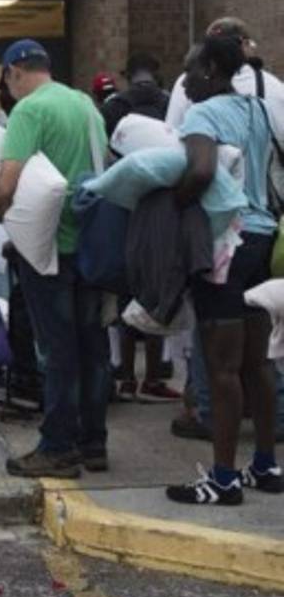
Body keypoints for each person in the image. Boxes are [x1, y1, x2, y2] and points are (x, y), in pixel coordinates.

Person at [165, 36, 281, 505]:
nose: (186, 79)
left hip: (226, 245)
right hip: (263, 240)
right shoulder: (258, 110)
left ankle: (223, 479)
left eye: (191, 69)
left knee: (222, 367)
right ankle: (266, 464)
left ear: (211, 69)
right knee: (259, 361)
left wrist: (172, 208)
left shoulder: (202, 115)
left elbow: (199, 171)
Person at [0, 39, 110, 478]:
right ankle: (93, 443)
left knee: (57, 350)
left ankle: (58, 446)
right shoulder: (84, 104)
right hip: (91, 246)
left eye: (6, 80)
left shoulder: (30, 110)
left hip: (49, 249)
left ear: (14, 72)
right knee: (92, 346)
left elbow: (7, 180)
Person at [99, 54, 181, 403]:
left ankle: (127, 377)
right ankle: (154, 376)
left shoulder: (114, 106)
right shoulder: (168, 104)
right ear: (156, 74)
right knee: (160, 285)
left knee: (127, 288)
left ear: (126, 76)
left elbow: (106, 154)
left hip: (126, 203)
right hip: (163, 204)